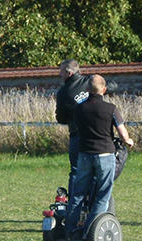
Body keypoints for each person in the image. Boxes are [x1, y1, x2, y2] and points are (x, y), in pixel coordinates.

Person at [65, 75, 134, 239]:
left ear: (87, 90)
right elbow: (123, 133)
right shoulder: (111, 109)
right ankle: (90, 233)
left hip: (84, 155)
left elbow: (75, 127)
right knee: (102, 196)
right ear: (104, 90)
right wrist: (128, 141)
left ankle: (69, 231)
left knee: (77, 195)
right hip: (104, 155)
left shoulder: (79, 109)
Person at [55, 59, 90, 196]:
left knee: (76, 170)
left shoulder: (63, 92)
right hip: (97, 135)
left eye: (62, 71)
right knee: (96, 170)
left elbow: (61, 119)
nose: (60, 74)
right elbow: (113, 86)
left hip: (77, 135)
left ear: (69, 73)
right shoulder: (91, 82)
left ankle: (74, 205)